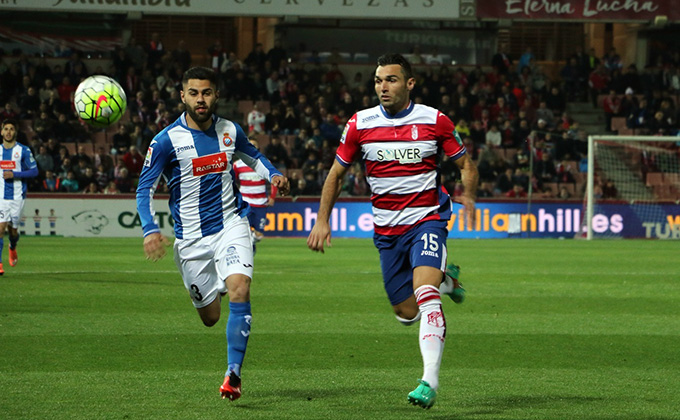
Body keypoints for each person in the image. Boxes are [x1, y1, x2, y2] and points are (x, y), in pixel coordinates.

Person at [306, 54, 478, 409]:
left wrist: (470, 197)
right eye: (378, 81)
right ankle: (449, 280)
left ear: (409, 83)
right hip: (386, 232)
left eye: (391, 80)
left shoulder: (435, 120)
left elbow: (465, 164)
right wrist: (322, 219)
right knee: (406, 312)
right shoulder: (360, 123)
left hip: (427, 220)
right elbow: (336, 175)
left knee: (425, 292)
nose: (383, 87)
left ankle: (429, 380)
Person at [135, 67, 289, 401]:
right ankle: (216, 284)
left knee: (240, 288)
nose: (200, 99)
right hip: (190, 240)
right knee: (210, 317)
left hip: (231, 223)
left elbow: (253, 155)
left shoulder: (229, 130)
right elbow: (144, 189)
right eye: (194, 93)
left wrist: (273, 175)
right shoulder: (165, 141)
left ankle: (233, 375)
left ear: (216, 95)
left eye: (206, 92)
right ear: (182, 96)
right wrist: (150, 229)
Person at [0, 119, 38, 275]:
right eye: (6, 129)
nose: (8, 132)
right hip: (1, 197)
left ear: (15, 132)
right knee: (0, 228)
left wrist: (14, 174)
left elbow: (34, 172)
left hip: (17, 196)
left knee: (13, 231)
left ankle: (12, 246)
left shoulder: (23, 150)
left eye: (11, 129)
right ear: (1, 132)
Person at [233, 139, 278, 248]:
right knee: (243, 232)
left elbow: (274, 180)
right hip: (245, 203)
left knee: (259, 235)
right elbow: (232, 182)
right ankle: (247, 253)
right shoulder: (237, 165)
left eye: (254, 145)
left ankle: (250, 244)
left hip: (261, 203)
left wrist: (272, 197)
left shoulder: (263, 163)